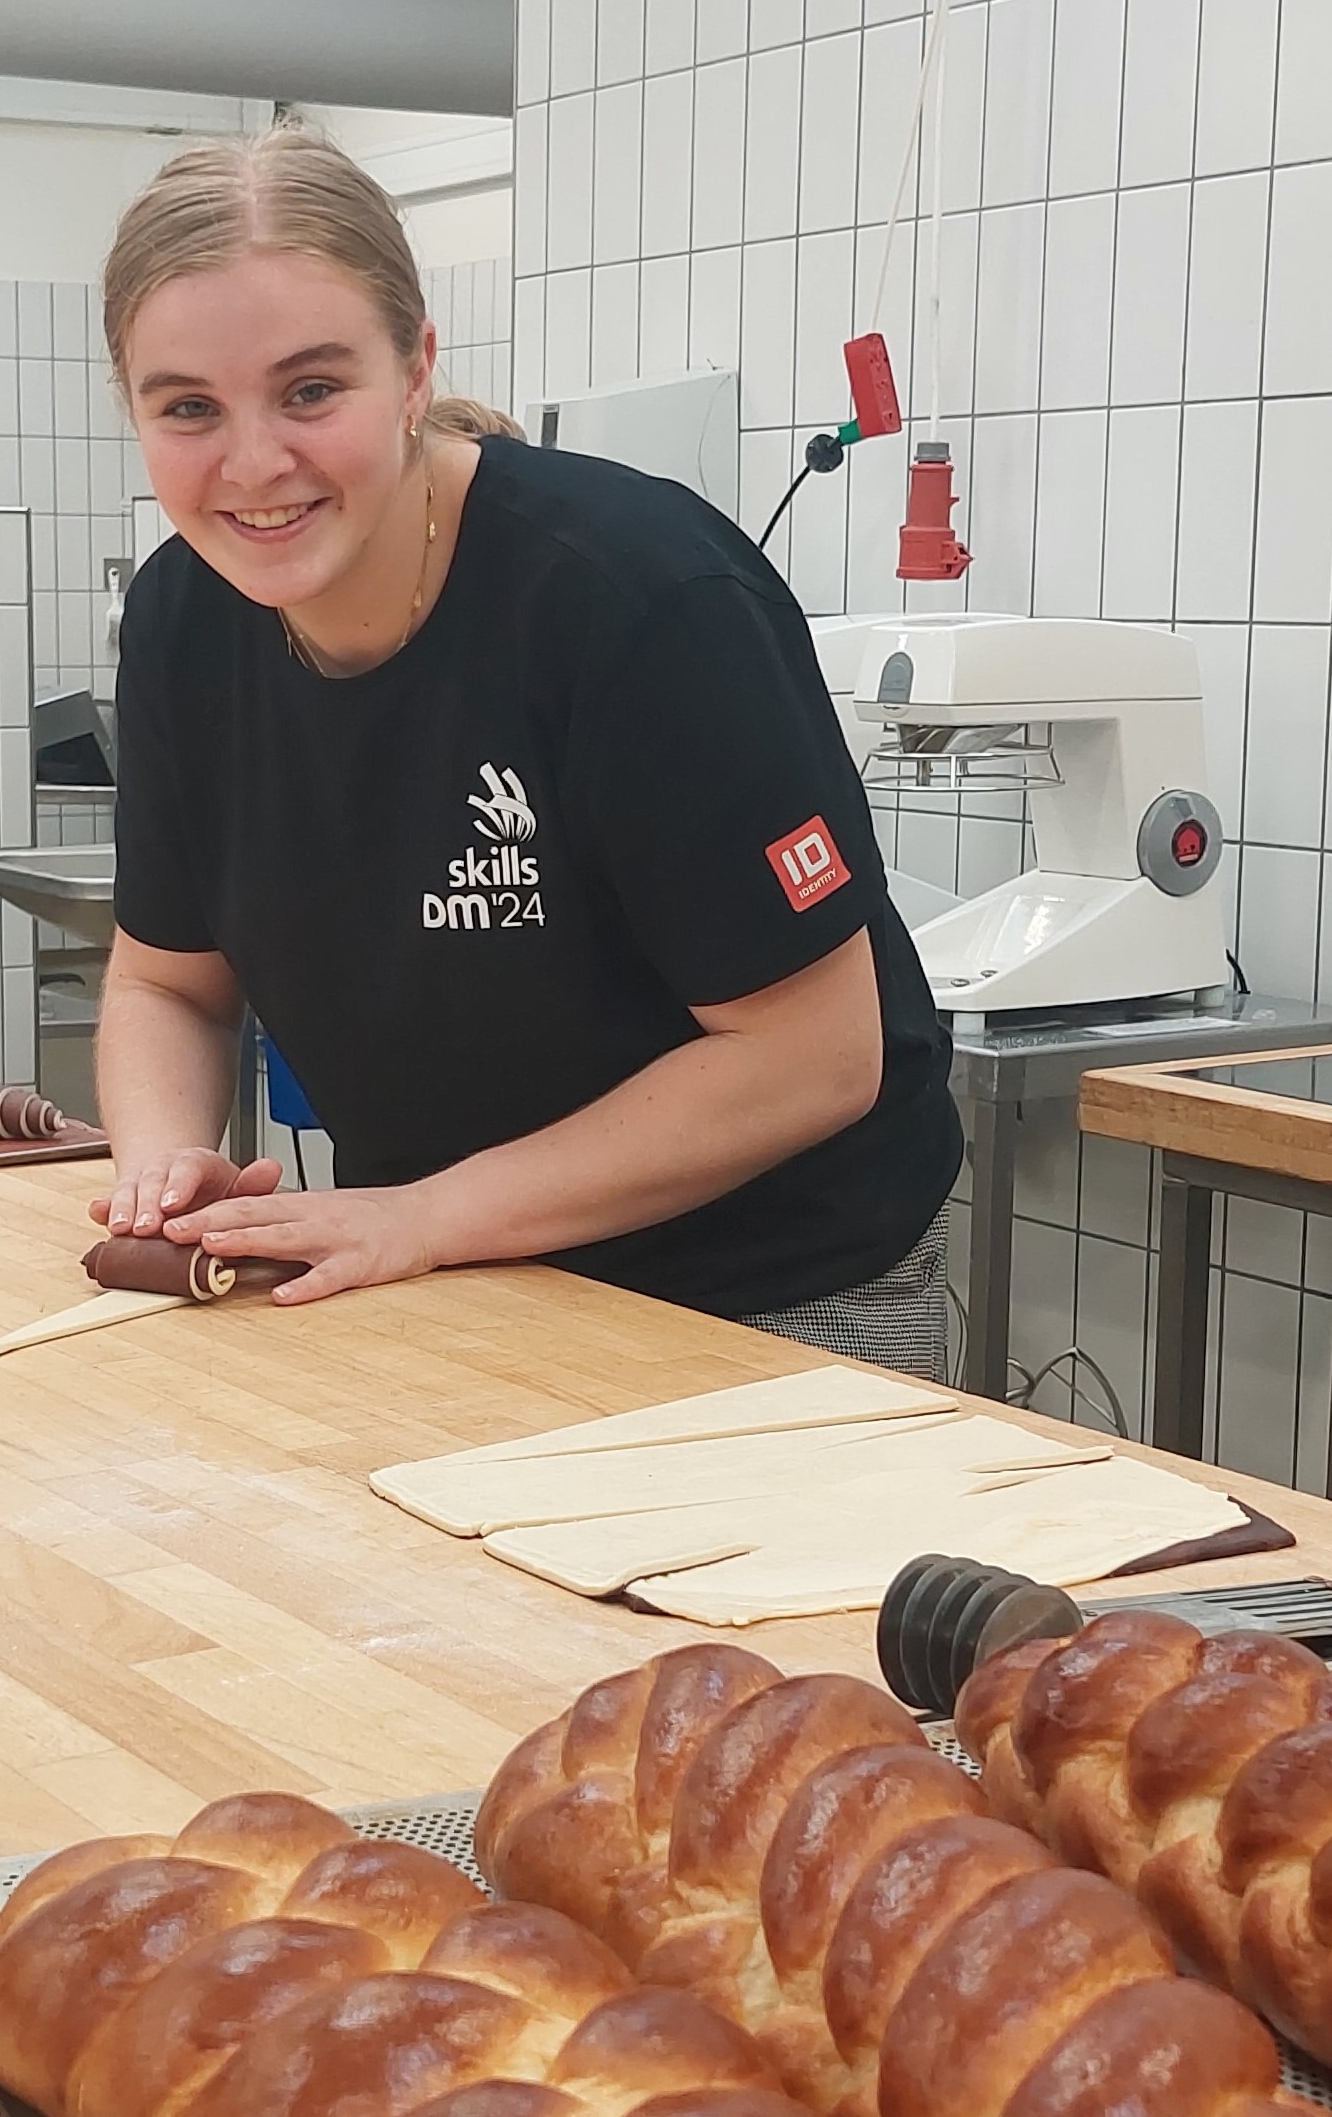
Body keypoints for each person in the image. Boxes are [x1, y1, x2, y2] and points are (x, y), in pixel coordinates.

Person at [91, 124, 964, 1376]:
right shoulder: (184, 618)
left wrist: (427, 1213)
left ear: (413, 368)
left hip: (769, 1293)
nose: (255, 463)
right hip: (453, 1277)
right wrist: (163, 1164)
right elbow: (167, 982)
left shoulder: (637, 600)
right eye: (188, 408)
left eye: (312, 389)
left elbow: (812, 1059)